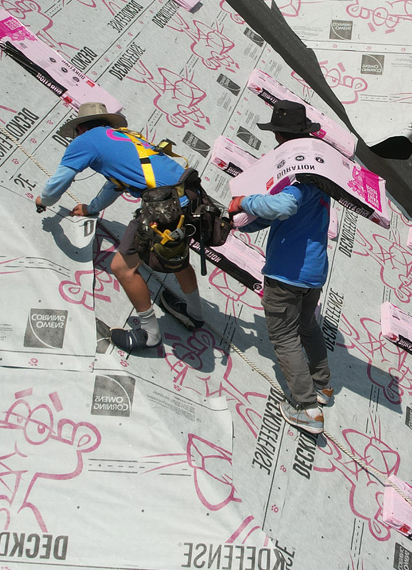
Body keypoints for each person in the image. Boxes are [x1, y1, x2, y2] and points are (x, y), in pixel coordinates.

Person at [35, 102, 209, 347]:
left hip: (165, 208)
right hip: (192, 198)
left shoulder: (84, 141)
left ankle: (150, 335)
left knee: (122, 268)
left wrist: (44, 200)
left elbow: (58, 183)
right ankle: (195, 314)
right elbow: (116, 184)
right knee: (176, 257)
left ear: (80, 128)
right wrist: (91, 209)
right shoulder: (125, 137)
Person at [230, 100, 335, 435]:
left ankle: (307, 409)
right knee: (306, 326)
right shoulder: (320, 177)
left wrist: (244, 202)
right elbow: (283, 215)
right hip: (314, 272)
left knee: (284, 336)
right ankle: (322, 385)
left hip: (287, 274)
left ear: (279, 135)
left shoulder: (298, 179)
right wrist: (245, 223)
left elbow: (285, 206)